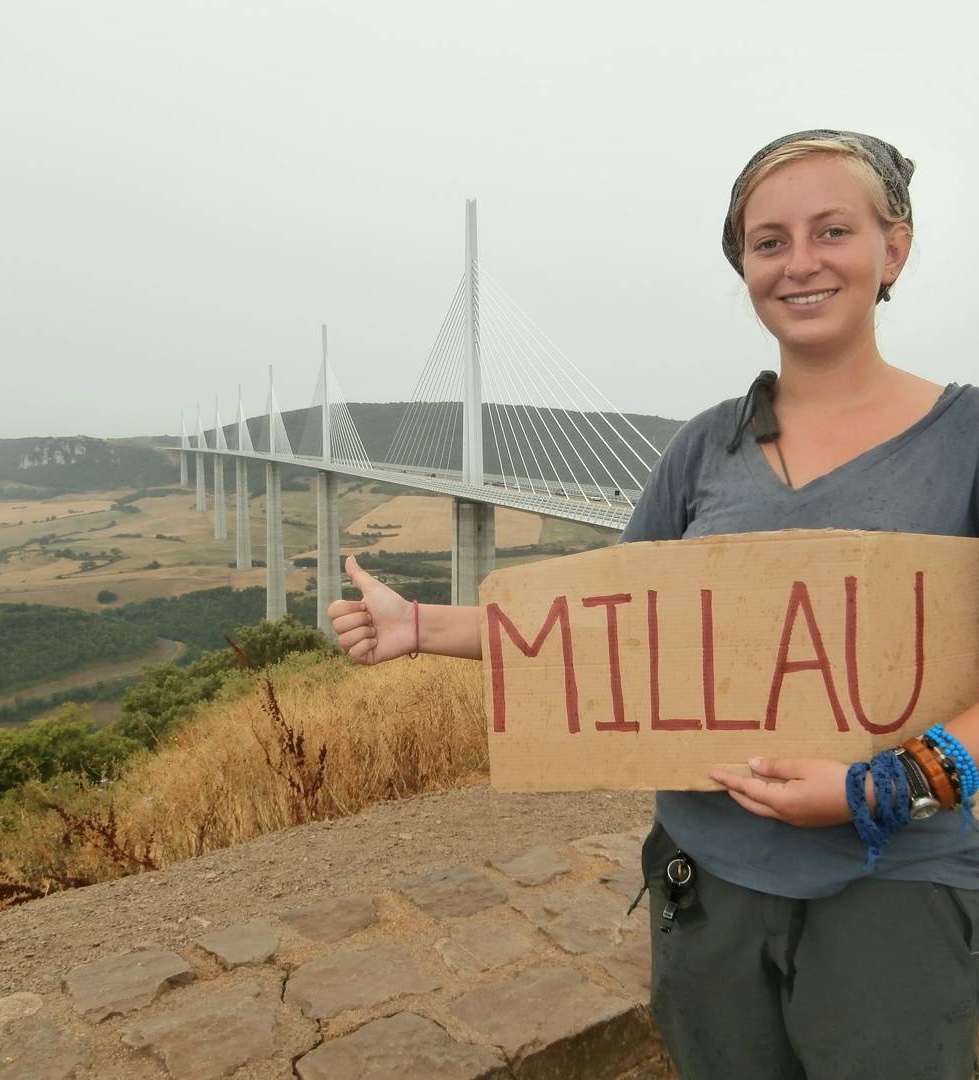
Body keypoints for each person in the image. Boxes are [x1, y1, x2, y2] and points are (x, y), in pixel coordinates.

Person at [328, 130, 979, 1079]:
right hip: (706, 882)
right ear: (744, 266)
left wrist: (881, 787)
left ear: (896, 247)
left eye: (832, 230)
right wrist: (422, 627)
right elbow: (611, 630)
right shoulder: (703, 450)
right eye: (768, 242)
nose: (800, 263)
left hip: (896, 891)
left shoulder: (964, 439)